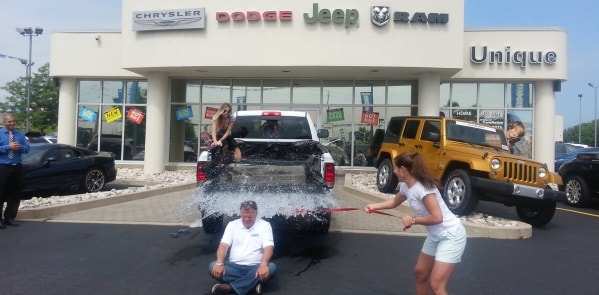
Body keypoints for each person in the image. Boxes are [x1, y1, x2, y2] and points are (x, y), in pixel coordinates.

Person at [365, 153, 466, 295]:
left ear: (404, 170)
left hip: (451, 235)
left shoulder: (423, 189)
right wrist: (374, 206)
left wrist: (413, 220)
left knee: (436, 284)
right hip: (435, 235)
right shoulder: (406, 186)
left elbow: (437, 218)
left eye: (396, 168)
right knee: (420, 273)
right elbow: (394, 202)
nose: (394, 171)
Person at [209, 201, 276, 295]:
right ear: (240, 213)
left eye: (250, 217)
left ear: (256, 214)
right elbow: (223, 245)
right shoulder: (232, 225)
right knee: (212, 266)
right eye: (244, 216)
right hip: (234, 267)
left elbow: (268, 248)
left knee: (271, 267)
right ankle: (252, 285)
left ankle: (230, 288)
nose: (247, 219)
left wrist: (263, 264)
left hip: (256, 267)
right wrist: (219, 263)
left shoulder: (265, 225)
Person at [0, 113, 30, 229]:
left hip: (17, 166)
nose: (12, 123)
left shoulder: (20, 135)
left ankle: (10, 218)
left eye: (13, 121)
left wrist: (19, 147)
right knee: (1, 193)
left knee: (15, 194)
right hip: (2, 167)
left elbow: (27, 149)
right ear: (4, 122)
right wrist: (8, 147)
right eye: (9, 121)